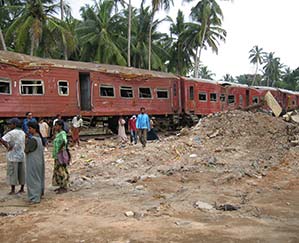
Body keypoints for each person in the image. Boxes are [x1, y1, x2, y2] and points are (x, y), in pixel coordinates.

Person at [0, 118, 26, 195]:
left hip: (13, 156)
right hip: (21, 155)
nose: (9, 125)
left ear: (14, 124)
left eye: (10, 124)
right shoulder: (22, 132)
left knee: (12, 173)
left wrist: (7, 147)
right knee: (22, 173)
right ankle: (22, 188)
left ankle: (13, 190)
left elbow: (2, 139)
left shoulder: (11, 133)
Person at [25, 121, 45, 203]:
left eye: (30, 128)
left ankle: (34, 197)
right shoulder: (39, 138)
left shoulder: (33, 140)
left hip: (33, 162)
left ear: (34, 129)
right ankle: (39, 194)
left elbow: (26, 150)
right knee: (39, 177)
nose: (28, 130)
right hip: (39, 161)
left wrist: (26, 139)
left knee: (33, 179)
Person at [52, 120, 69, 194]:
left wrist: (60, 149)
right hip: (57, 155)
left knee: (61, 171)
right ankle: (61, 186)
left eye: (56, 125)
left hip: (60, 155)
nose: (55, 127)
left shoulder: (62, 133)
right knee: (57, 171)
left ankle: (64, 186)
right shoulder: (58, 134)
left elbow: (64, 141)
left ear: (60, 126)